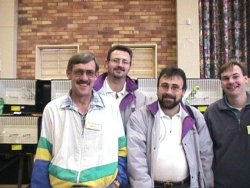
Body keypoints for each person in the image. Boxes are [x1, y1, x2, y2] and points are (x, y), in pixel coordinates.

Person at [31, 53, 127, 187]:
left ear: (96, 75)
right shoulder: (53, 109)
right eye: (79, 72)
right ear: (68, 73)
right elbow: (43, 154)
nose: (84, 78)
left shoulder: (110, 107)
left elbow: (122, 149)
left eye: (89, 73)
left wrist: (117, 182)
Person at [127, 67, 214, 188]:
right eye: (164, 86)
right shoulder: (140, 117)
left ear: (183, 91)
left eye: (175, 87)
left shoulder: (194, 117)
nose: (169, 92)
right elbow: (136, 161)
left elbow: (206, 155)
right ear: (157, 88)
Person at [204, 61, 250, 188]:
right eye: (225, 78)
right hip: (222, 184)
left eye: (235, 76)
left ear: (246, 79)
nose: (230, 81)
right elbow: (205, 152)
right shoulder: (211, 113)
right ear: (221, 84)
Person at [94, 44, 148, 131]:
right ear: (107, 63)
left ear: (130, 66)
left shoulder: (140, 99)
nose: (120, 65)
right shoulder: (92, 93)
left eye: (125, 62)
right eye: (116, 60)